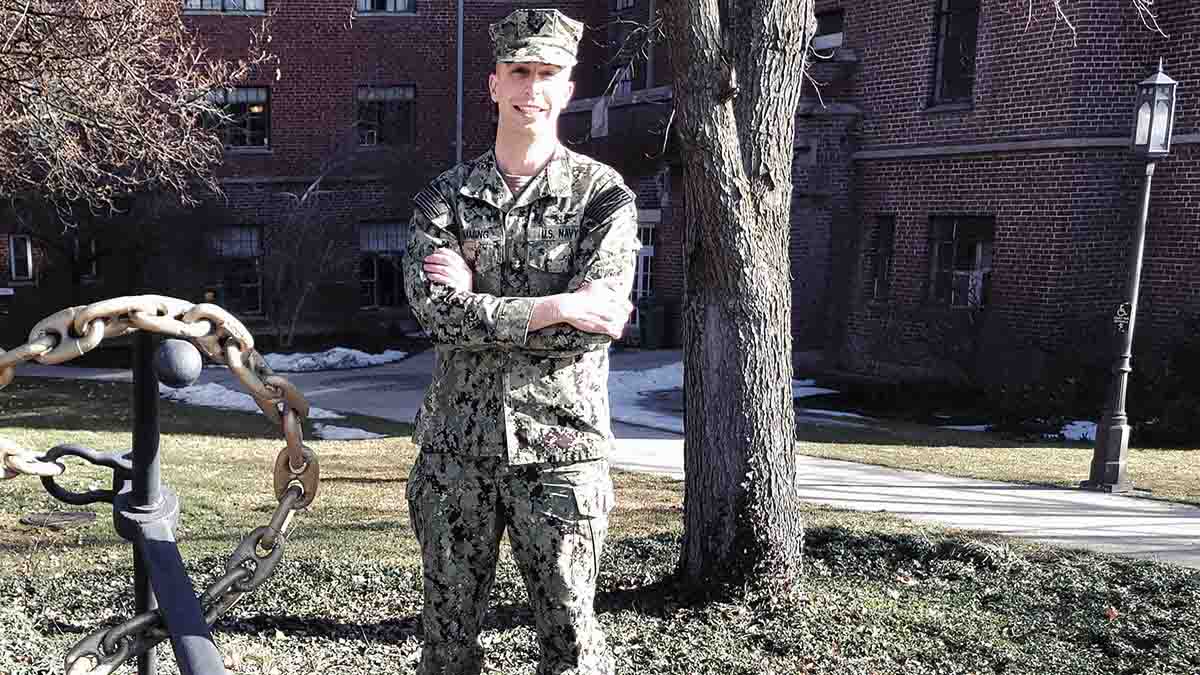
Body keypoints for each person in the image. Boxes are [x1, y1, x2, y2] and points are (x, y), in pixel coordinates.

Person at [400, 8, 640, 675]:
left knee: (572, 643)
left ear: (567, 87)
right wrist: (556, 301)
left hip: (561, 454)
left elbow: (599, 323)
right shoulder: (443, 201)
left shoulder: (602, 200)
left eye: (547, 74)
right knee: (446, 645)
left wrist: (482, 299)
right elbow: (436, 314)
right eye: (519, 72)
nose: (532, 88)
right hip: (455, 454)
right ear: (493, 84)